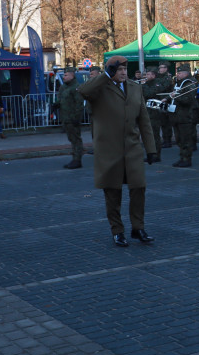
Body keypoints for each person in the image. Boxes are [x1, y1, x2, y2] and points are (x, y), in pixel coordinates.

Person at [78, 55, 158, 247]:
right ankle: (117, 231)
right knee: (113, 193)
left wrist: (151, 148)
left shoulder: (135, 87)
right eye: (118, 70)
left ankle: (138, 227)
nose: (123, 73)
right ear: (111, 71)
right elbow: (83, 91)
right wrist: (106, 75)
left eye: (124, 69)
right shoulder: (99, 89)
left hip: (132, 148)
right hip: (109, 150)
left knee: (138, 188)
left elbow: (144, 121)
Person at [53, 67, 86, 169]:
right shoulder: (64, 87)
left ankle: (77, 160)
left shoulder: (76, 87)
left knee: (76, 139)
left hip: (72, 118)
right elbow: (62, 100)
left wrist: (77, 118)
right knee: (71, 139)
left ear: (72, 76)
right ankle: (75, 158)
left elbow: (79, 104)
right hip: (66, 118)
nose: (64, 77)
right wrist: (56, 105)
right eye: (64, 75)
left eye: (66, 75)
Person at [168, 64, 198, 167]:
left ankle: (187, 159)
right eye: (177, 73)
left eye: (180, 73)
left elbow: (188, 100)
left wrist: (176, 96)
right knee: (179, 139)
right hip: (177, 115)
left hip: (185, 116)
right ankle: (182, 157)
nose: (178, 75)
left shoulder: (189, 83)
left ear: (186, 73)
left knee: (185, 139)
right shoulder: (178, 83)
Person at [157, 63, 174, 148]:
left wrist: (156, 85)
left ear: (166, 68)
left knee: (167, 123)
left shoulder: (168, 78)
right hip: (160, 101)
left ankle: (168, 140)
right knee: (163, 122)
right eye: (159, 68)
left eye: (162, 68)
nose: (160, 69)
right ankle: (165, 139)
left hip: (166, 101)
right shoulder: (159, 77)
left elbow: (163, 88)